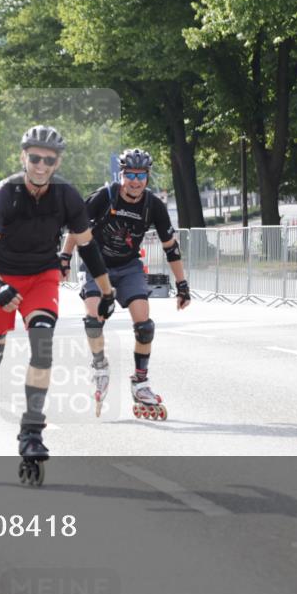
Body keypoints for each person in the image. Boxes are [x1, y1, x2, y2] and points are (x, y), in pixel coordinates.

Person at [0, 125, 117, 486]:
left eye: (48, 160)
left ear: (57, 162)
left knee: (42, 346)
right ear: (24, 157)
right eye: (34, 158)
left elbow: (87, 246)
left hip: (41, 277)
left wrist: (107, 290)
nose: (40, 165)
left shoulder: (66, 195)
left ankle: (31, 431)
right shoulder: (6, 193)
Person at [60, 148, 192, 420]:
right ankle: (100, 366)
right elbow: (77, 227)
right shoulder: (105, 196)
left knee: (145, 326)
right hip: (97, 265)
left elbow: (171, 247)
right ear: (121, 175)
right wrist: (64, 257)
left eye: (140, 175)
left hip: (129, 266)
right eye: (129, 175)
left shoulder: (153, 206)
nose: (135, 181)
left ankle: (140, 383)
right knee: (94, 319)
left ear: (147, 177)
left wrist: (182, 285)